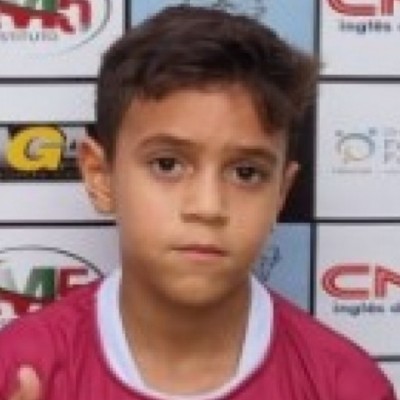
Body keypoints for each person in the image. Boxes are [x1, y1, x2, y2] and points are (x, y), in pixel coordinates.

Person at [0, 5, 396, 400]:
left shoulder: (345, 387)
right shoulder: (18, 368)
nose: (208, 207)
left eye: (246, 173)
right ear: (100, 176)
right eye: (167, 164)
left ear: (280, 192)